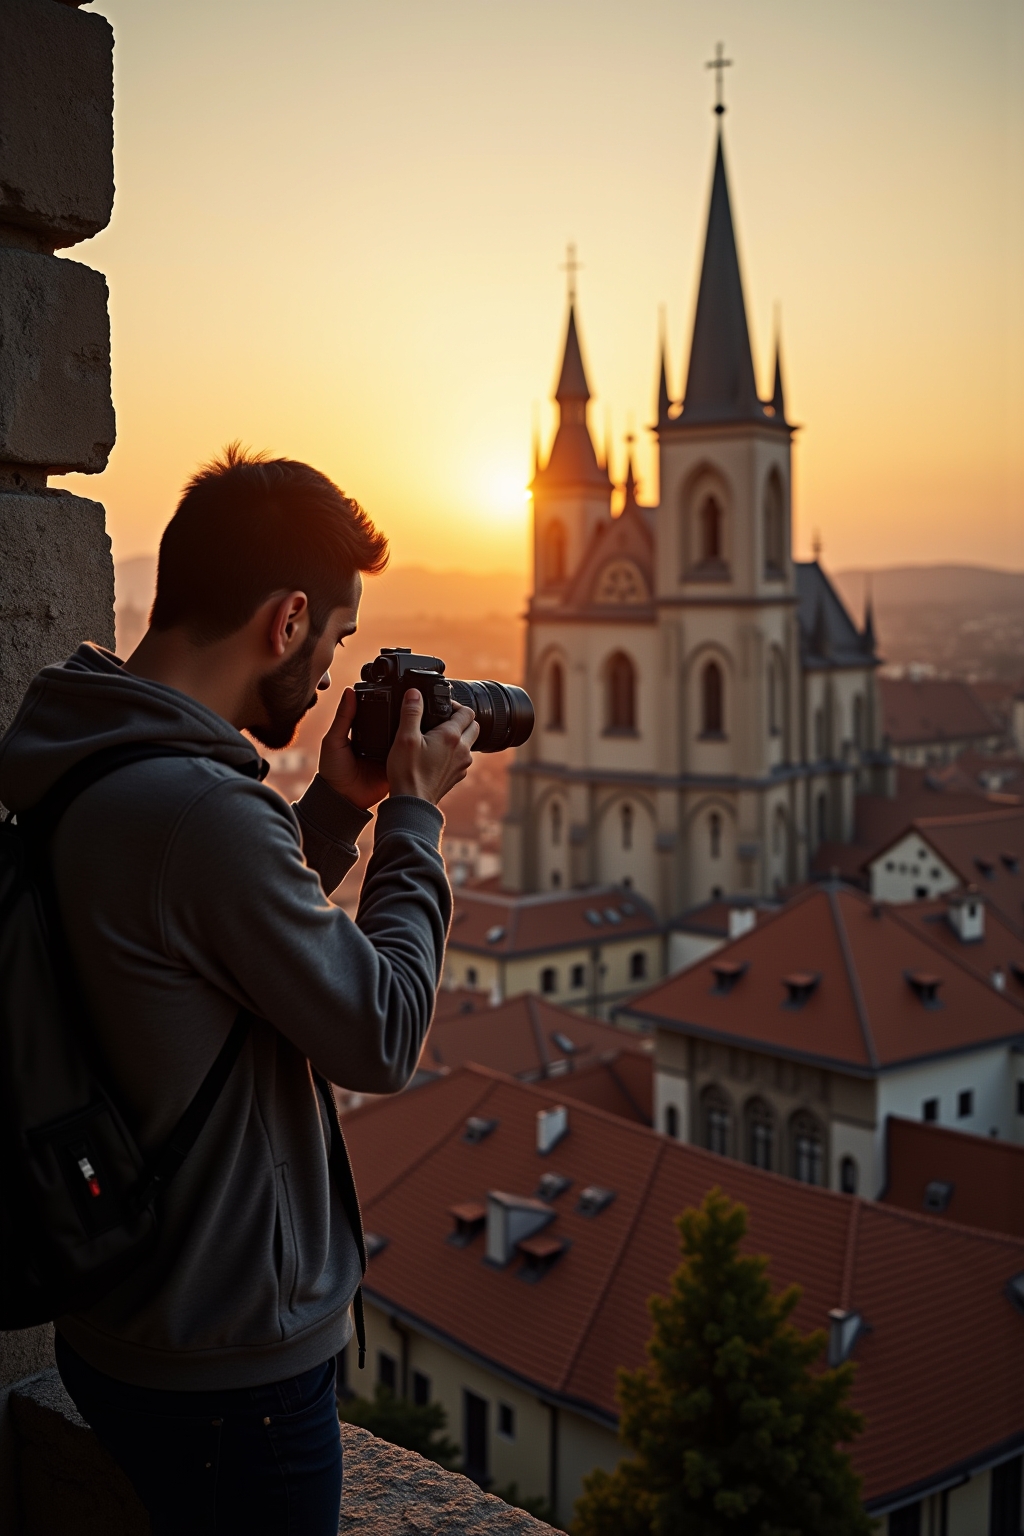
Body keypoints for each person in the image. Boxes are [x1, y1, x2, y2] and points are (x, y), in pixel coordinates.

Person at [0, 444, 478, 1536]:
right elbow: (382, 1032)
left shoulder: (92, 750)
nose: (327, 680)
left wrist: (335, 813)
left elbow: (194, 946)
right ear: (288, 617)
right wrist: (413, 814)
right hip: (229, 1366)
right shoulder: (204, 810)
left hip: (125, 1318)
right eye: (336, 642)